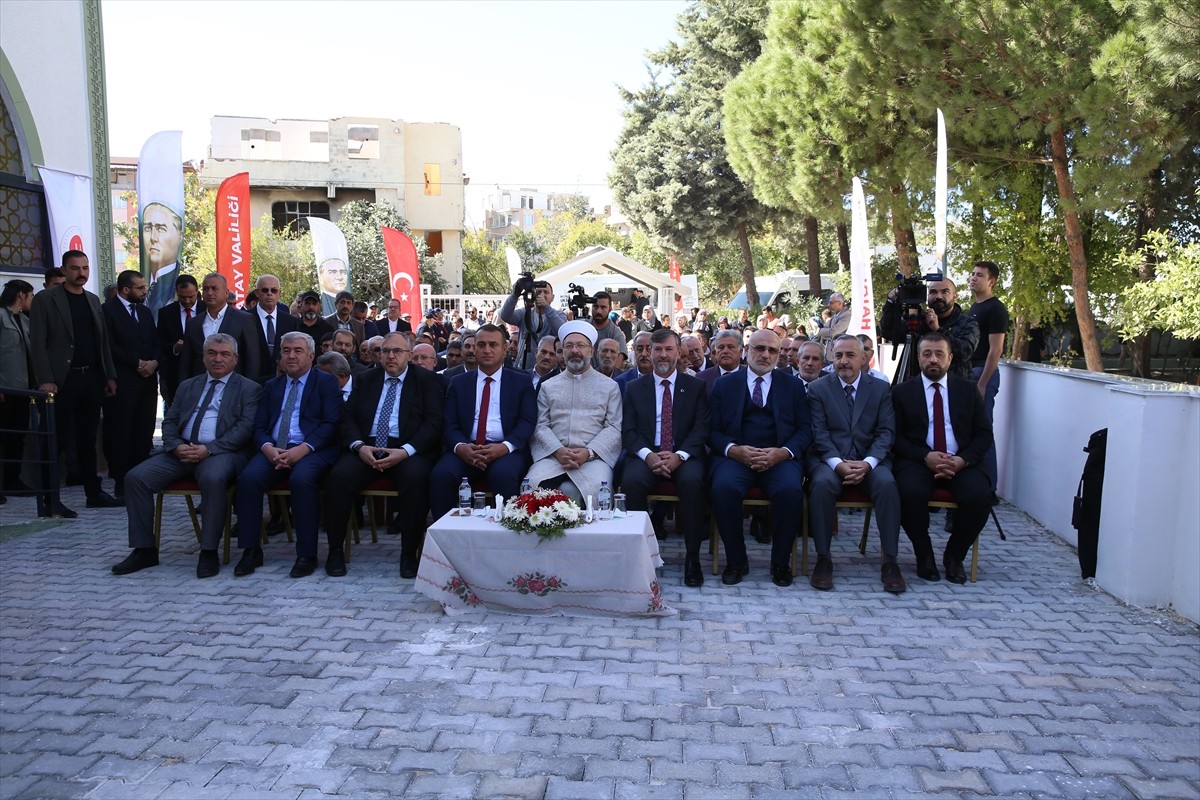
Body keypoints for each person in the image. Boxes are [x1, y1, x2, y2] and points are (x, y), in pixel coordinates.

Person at [110, 333, 261, 578]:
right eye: (212, 353)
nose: (217, 359)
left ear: (235, 359)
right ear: (203, 357)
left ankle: (208, 550)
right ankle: (144, 549)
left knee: (213, 479)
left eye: (224, 354)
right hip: (180, 451)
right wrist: (176, 446)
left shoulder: (249, 389)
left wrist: (209, 449)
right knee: (135, 478)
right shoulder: (188, 386)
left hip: (222, 453)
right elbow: (169, 421)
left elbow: (245, 428)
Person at [324, 332, 445, 578]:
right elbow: (347, 418)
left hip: (406, 449)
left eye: (397, 351)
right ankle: (335, 550)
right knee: (338, 477)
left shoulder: (426, 380)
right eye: (385, 351)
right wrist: (359, 446)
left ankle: (409, 554)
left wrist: (405, 452)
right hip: (368, 448)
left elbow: (433, 424)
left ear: (409, 355)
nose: (390, 356)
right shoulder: (366, 379)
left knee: (417, 479)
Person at [232, 332, 342, 579]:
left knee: (302, 480)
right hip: (275, 449)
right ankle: (251, 550)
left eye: (298, 351)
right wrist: (268, 448)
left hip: (311, 449)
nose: (291, 356)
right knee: (248, 479)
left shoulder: (325, 383)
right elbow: (259, 427)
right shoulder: (272, 386)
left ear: (311, 356)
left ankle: (307, 554)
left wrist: (302, 450)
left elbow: (331, 424)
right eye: (286, 351)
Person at [707, 329, 810, 587]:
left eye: (772, 350)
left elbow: (805, 430)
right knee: (723, 488)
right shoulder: (725, 384)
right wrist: (733, 449)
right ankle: (736, 560)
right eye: (759, 348)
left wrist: (782, 453)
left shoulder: (793, 386)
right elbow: (711, 430)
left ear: (780, 355)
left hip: (779, 458)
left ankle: (780, 563)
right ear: (746, 350)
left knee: (790, 491)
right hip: (736, 458)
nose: (765, 355)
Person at [891, 332, 994, 584]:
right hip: (918, 461)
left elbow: (984, 434)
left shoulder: (968, 390)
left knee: (981, 496)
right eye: (927, 354)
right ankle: (924, 554)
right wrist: (925, 456)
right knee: (907, 493)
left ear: (950, 358)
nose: (933, 359)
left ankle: (954, 555)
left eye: (939, 354)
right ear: (918, 358)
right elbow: (895, 437)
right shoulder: (902, 392)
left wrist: (962, 460)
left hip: (960, 461)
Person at [806, 334, 905, 594]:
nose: (844, 361)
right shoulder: (818, 388)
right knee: (821, 484)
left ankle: (890, 562)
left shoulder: (881, 389)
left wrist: (869, 463)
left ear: (864, 358)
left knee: (887, 484)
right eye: (838, 356)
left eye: (850, 355)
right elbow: (819, 433)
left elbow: (886, 432)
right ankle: (823, 558)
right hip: (830, 460)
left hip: (870, 460)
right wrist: (838, 464)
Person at [29, 250, 122, 509]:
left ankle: (93, 493)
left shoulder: (92, 300)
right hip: (61, 380)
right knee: (55, 438)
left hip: (92, 377)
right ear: (64, 269)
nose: (81, 273)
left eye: (85, 268)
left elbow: (102, 341)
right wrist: (45, 379)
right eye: (75, 268)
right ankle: (49, 499)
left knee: (88, 439)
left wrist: (109, 375)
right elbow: (38, 342)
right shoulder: (46, 299)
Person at [621, 328, 710, 586]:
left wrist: (679, 456)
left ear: (678, 352)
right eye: (657, 349)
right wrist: (649, 456)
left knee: (694, 483)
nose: (662, 355)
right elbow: (628, 430)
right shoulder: (634, 388)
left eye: (668, 349)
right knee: (631, 483)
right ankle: (641, 556)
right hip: (647, 454)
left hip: (684, 454)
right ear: (648, 351)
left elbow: (701, 427)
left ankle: (692, 556)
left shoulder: (695, 387)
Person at [430, 324, 536, 518]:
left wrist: (504, 447)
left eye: (493, 345)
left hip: (505, 451)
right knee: (441, 475)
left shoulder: (521, 382)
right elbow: (449, 423)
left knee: (503, 475)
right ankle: (446, 539)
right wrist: (461, 447)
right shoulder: (459, 383)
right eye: (481, 345)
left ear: (505, 349)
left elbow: (527, 422)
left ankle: (505, 537)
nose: (487, 350)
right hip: (466, 449)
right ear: (473, 349)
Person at [526, 321, 623, 504]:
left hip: (594, 459)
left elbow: (613, 427)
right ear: (561, 351)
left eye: (581, 345)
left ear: (591, 351)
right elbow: (540, 425)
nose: (574, 350)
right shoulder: (548, 386)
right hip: (554, 457)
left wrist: (588, 453)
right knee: (531, 485)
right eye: (568, 346)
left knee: (595, 490)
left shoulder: (610, 386)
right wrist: (558, 450)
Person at [101, 269, 161, 498]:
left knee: (143, 430)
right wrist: (136, 362)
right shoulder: (108, 311)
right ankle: (121, 480)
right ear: (126, 290)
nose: (144, 291)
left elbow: (156, 342)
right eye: (140, 288)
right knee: (120, 431)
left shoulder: (145, 312)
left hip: (146, 383)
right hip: (123, 381)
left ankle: (141, 478)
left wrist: (154, 362)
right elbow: (109, 346)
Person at [880, 278, 979, 381]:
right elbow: (889, 332)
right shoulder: (919, 318)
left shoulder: (967, 323)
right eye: (933, 292)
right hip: (916, 385)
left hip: (954, 387)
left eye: (945, 292)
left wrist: (938, 330)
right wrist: (891, 303)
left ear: (955, 297)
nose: (938, 296)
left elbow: (965, 352)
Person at [967, 260, 1008, 492]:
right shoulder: (974, 308)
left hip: (983, 373)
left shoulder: (996, 309)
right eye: (972, 274)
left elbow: (996, 350)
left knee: (983, 429)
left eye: (980, 275)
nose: (973, 278)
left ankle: (988, 488)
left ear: (991, 281)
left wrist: (982, 383)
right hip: (970, 372)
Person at [179, 273, 260, 382]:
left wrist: (248, 391)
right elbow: (186, 362)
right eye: (206, 289)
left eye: (214, 288)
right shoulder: (194, 323)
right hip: (200, 387)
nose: (209, 293)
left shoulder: (244, 320)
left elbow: (252, 359)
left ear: (226, 293)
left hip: (234, 387)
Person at [0, 279, 35, 502]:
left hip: (22, 390)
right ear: (21, 295)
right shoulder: (1, 316)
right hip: (4, 388)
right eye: (30, 296)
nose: (32, 300)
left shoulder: (24, 321)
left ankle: (13, 481)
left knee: (17, 438)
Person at [500, 278, 566, 371]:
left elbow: (561, 331)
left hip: (551, 369)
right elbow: (505, 316)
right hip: (525, 367)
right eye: (538, 292)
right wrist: (515, 294)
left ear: (553, 297)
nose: (542, 295)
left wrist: (546, 307)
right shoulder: (525, 313)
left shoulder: (559, 315)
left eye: (546, 292)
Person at [155, 274, 200, 409]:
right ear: (176, 292)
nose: (187, 300)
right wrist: (174, 348)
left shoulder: (207, 309)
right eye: (182, 297)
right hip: (175, 374)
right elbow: (160, 342)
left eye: (191, 296)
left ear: (197, 291)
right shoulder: (166, 313)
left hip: (201, 371)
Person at [248, 274, 298, 383]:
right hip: (251, 383)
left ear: (279, 293)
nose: (269, 293)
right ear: (257, 293)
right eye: (265, 290)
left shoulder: (291, 321)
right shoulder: (244, 319)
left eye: (274, 290)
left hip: (282, 382)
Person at [141, 202, 183, 312]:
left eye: (161, 229)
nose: (153, 238)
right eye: (148, 228)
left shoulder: (178, 285)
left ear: (179, 236)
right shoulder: (142, 286)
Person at [615, 331, 654, 396]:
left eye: (649, 349)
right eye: (639, 349)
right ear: (634, 351)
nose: (644, 354)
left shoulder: (664, 380)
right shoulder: (621, 382)